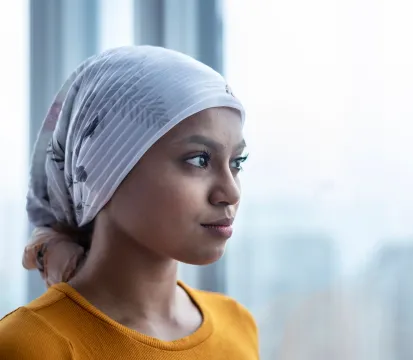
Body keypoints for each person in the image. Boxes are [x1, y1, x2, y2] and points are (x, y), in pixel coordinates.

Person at [0, 46, 258, 359]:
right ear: (101, 170)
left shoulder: (238, 325)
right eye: (199, 159)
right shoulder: (32, 345)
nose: (230, 192)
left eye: (237, 162)